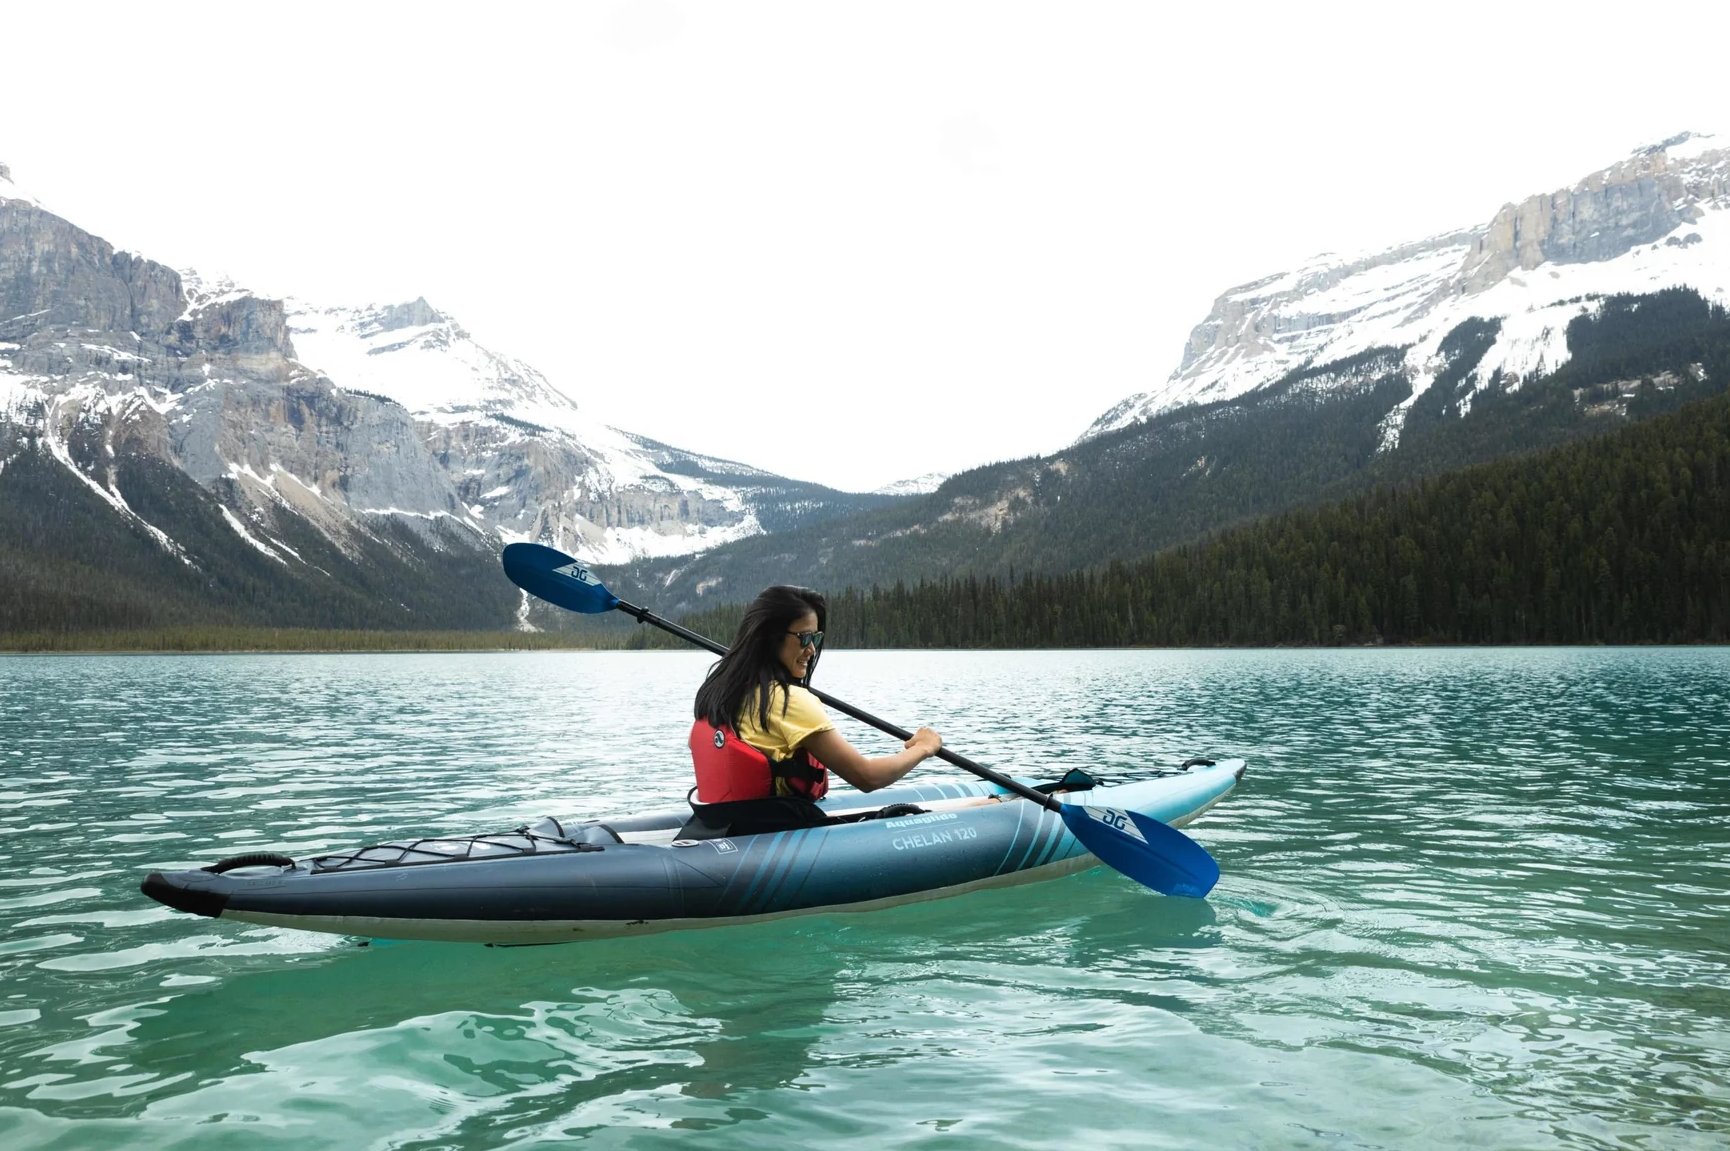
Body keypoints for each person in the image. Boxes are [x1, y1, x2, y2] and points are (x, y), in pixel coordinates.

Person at [683, 585, 942, 838]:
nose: (812, 650)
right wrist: (923, 749)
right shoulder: (789, 701)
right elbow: (867, 777)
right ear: (771, 637)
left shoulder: (719, 691)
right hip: (770, 831)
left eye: (816, 638)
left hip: (722, 822)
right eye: (804, 638)